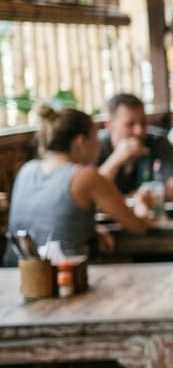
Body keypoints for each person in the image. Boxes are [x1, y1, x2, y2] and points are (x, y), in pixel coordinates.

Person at [7, 106, 150, 264]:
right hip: (68, 276)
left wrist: (91, 229)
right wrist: (141, 205)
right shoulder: (86, 176)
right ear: (80, 142)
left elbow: (47, 221)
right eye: (95, 138)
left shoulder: (27, 169)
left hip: (15, 272)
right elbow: (138, 226)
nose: (99, 146)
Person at [97, 93, 173, 196]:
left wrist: (140, 198)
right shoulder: (96, 146)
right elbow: (90, 192)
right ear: (109, 125)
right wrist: (116, 159)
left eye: (143, 123)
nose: (139, 131)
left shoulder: (158, 142)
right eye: (130, 124)